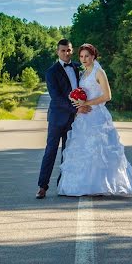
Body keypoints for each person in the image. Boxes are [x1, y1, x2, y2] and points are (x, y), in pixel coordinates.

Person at [58, 43, 132, 197]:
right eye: (81, 56)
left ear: (93, 57)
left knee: (100, 151)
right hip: (83, 116)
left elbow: (107, 96)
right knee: (84, 150)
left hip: (97, 115)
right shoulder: (83, 74)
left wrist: (87, 103)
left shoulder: (100, 72)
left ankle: (101, 185)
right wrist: (75, 99)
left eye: (87, 56)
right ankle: (84, 185)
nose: (84, 59)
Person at [36, 39, 92, 199]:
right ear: (57, 52)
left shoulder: (77, 67)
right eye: (63, 51)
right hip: (57, 118)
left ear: (72, 50)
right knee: (51, 151)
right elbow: (56, 98)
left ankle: (63, 185)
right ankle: (42, 186)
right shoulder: (51, 72)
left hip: (74, 119)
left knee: (68, 153)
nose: (66, 53)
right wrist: (77, 108)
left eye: (68, 50)